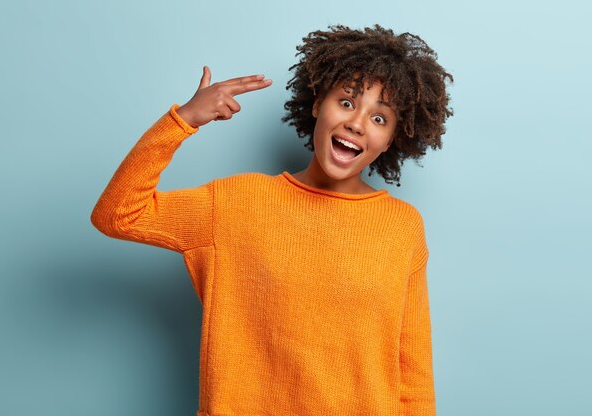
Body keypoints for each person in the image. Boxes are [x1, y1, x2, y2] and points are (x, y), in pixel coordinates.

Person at [91, 24, 453, 416]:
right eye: (346, 102)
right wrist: (184, 120)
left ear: (392, 138)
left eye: (380, 118)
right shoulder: (235, 203)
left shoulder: (401, 227)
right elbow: (118, 214)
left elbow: (413, 374)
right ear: (318, 104)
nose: (357, 123)